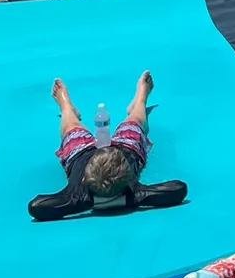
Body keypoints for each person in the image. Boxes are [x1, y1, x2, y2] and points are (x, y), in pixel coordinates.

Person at [28, 70, 187, 220]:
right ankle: (139, 101)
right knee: (135, 122)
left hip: (80, 153)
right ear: (127, 175)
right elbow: (179, 188)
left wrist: (88, 202)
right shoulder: (136, 193)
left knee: (71, 127)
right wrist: (130, 199)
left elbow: (36, 206)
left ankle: (66, 108)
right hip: (127, 148)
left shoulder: (75, 197)